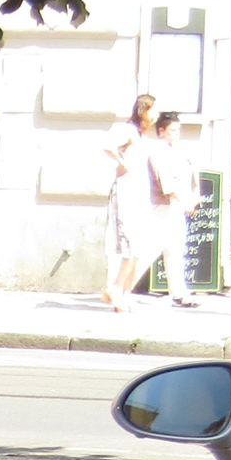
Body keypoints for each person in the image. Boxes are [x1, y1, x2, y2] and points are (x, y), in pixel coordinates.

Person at [103, 92, 158, 313]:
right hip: (127, 193)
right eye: (154, 109)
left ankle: (125, 292)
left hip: (138, 193)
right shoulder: (129, 131)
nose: (157, 114)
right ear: (144, 110)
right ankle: (116, 289)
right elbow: (108, 145)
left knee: (139, 246)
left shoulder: (141, 134)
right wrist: (121, 162)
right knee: (131, 245)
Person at [147, 110, 201, 308]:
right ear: (161, 131)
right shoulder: (158, 150)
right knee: (151, 249)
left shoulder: (177, 149)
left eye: (179, 129)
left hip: (176, 205)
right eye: (173, 130)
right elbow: (166, 183)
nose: (177, 133)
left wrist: (192, 198)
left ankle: (179, 293)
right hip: (163, 206)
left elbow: (189, 175)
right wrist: (183, 201)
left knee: (175, 249)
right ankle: (120, 288)